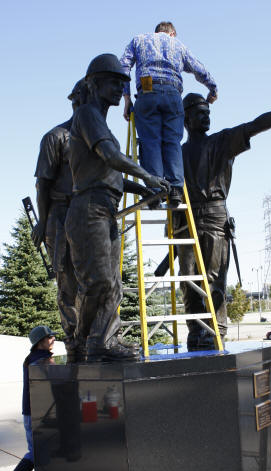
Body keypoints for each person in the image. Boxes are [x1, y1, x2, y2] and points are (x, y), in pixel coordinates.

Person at [178, 93, 271, 349]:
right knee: (187, 281)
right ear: (185, 118)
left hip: (214, 217)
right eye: (200, 112)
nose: (207, 116)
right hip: (184, 220)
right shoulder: (177, 151)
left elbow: (256, 125)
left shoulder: (222, 141)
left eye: (208, 112)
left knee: (212, 279)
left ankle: (214, 331)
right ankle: (195, 330)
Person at [65, 53, 170, 362]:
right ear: (94, 84)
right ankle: (82, 340)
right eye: (112, 82)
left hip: (104, 208)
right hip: (88, 209)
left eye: (120, 83)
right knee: (97, 281)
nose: (117, 88)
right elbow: (111, 156)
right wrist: (148, 174)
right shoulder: (86, 115)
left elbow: (113, 177)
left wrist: (146, 188)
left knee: (113, 285)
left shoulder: (101, 124)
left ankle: (103, 341)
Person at [119, 21, 217, 207]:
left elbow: (123, 66)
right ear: (172, 33)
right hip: (172, 94)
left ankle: (155, 191)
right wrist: (212, 89)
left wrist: (126, 99)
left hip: (147, 90)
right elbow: (198, 68)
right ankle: (175, 190)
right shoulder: (178, 45)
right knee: (172, 141)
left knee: (150, 141)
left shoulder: (139, 40)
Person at [31, 79, 88, 362]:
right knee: (68, 283)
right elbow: (43, 184)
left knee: (95, 281)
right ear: (77, 101)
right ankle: (76, 343)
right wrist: (42, 223)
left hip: (89, 218)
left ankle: (94, 338)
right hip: (60, 217)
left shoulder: (95, 138)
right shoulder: (56, 137)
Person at [1, 325, 55, 471]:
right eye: (50, 337)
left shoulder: (31, 359)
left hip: (33, 412)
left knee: (39, 451)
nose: (53, 339)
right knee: (36, 452)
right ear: (41, 342)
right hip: (37, 412)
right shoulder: (40, 361)